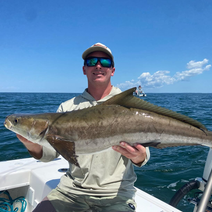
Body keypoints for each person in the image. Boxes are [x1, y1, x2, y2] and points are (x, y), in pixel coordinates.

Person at [16, 43, 150, 212]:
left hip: (116, 195)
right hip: (70, 191)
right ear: (84, 69)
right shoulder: (67, 108)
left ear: (113, 70)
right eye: (92, 61)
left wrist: (139, 156)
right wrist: (31, 143)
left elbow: (143, 156)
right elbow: (51, 153)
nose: (98, 66)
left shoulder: (129, 109)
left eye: (105, 62)